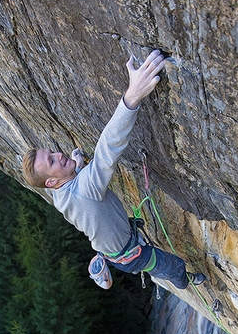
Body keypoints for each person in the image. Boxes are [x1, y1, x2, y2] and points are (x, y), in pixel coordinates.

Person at [22, 49, 206, 290]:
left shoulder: (60, 193)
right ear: (50, 182)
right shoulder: (84, 188)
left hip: (109, 245)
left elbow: (76, 187)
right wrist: (132, 96)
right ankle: (186, 281)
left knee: (104, 242)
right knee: (172, 266)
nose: (58, 155)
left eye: (52, 153)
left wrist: (74, 167)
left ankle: (100, 262)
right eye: (52, 162)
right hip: (131, 254)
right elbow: (108, 149)